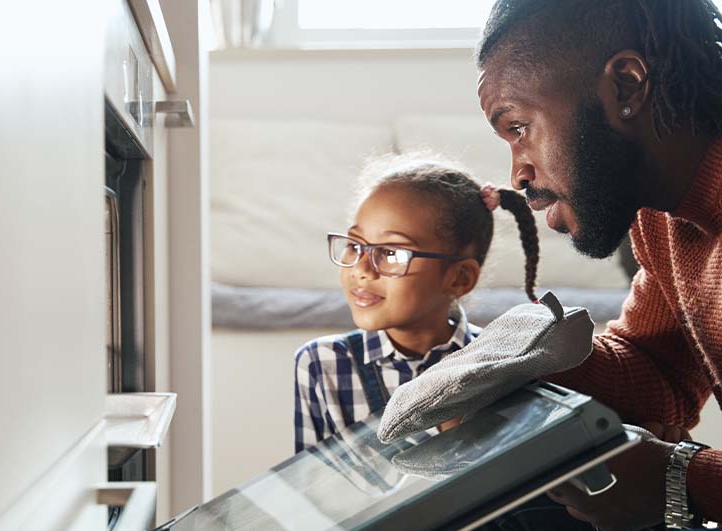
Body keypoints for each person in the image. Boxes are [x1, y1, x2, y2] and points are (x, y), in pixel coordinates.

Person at [475, 0, 722, 528]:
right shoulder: (660, 220)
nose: (517, 173)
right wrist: (518, 364)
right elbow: (658, 370)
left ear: (627, 86)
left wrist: (679, 477)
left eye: (519, 128)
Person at [293, 155, 539, 453]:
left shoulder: (498, 365)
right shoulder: (323, 362)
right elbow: (310, 485)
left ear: (459, 278)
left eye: (392, 253)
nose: (362, 269)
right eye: (355, 246)